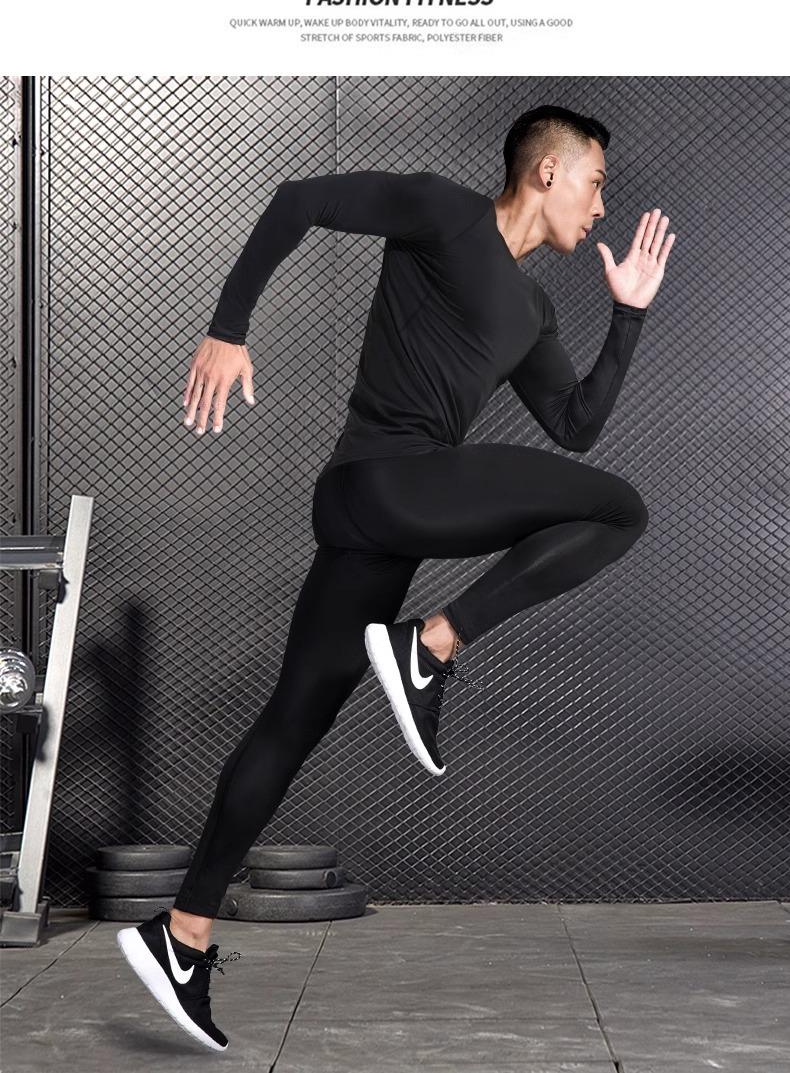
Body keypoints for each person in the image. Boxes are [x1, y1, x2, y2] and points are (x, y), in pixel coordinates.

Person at [116, 104, 676, 1049]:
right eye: (596, 183)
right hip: (385, 481)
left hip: (373, 520)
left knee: (294, 721)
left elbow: (576, 425)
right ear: (547, 172)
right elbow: (298, 200)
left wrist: (629, 316)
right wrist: (227, 328)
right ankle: (432, 645)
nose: (600, 206)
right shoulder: (443, 212)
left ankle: (183, 932)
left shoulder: (532, 310)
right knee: (620, 510)